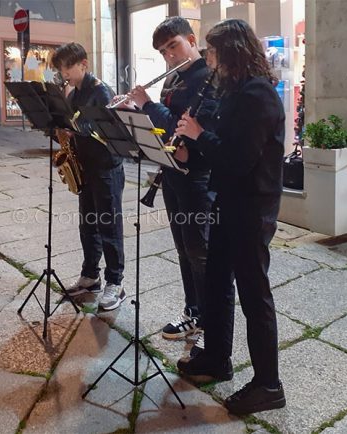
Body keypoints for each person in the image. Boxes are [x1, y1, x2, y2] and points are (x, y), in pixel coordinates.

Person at [174, 19, 287, 415]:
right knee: (218, 281)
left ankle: (268, 385)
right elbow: (222, 149)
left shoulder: (258, 95)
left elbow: (240, 160)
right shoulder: (235, 91)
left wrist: (200, 134)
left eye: (214, 51)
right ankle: (218, 358)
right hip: (228, 201)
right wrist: (192, 149)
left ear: (232, 51)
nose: (210, 59)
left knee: (255, 295)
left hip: (251, 209)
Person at [123, 17, 217, 351]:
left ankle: (211, 318)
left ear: (191, 40)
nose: (170, 57)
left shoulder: (206, 78)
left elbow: (183, 127)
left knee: (200, 250)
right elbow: (164, 131)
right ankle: (193, 311)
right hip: (172, 172)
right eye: (164, 52)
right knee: (183, 248)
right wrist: (133, 115)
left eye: (173, 46)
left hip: (197, 177)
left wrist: (147, 104)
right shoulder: (175, 80)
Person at [51, 42, 126, 311]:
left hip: (106, 168)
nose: (64, 73)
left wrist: (77, 130)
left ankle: (115, 282)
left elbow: (108, 131)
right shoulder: (75, 94)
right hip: (86, 167)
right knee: (88, 226)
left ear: (83, 64)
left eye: (67, 67)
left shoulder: (100, 92)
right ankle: (90, 275)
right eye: (61, 69)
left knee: (109, 227)